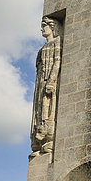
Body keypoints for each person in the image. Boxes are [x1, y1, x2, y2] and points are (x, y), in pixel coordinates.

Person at [30, 16, 62, 156]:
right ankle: (37, 143)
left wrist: (52, 80)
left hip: (50, 82)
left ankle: (49, 140)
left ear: (53, 27)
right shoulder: (41, 49)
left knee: (48, 108)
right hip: (40, 83)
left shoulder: (57, 42)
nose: (42, 29)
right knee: (38, 111)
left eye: (45, 26)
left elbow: (57, 61)